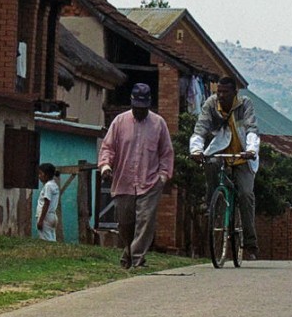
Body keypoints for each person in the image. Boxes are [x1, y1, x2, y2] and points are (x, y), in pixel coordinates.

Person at [98, 83, 174, 269]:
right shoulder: (119, 122)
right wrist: (106, 166)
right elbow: (108, 148)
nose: (140, 111)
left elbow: (166, 152)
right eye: (137, 108)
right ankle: (128, 255)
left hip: (149, 182)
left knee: (145, 221)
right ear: (131, 103)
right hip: (123, 182)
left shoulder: (158, 123)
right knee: (125, 224)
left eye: (144, 108)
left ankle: (138, 260)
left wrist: (163, 176)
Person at [189, 76, 260, 259]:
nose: (220, 95)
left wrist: (251, 150)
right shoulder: (210, 104)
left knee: (245, 194)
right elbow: (200, 128)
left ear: (234, 92)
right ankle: (213, 199)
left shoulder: (245, 104)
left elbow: (252, 129)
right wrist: (196, 150)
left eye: (225, 92)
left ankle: (250, 244)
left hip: (242, 156)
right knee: (210, 163)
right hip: (219, 151)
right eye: (218, 91)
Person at [35, 163, 60, 241]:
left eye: (40, 174)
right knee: (52, 238)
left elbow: (47, 203)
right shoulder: (54, 185)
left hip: (46, 216)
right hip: (52, 215)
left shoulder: (48, 186)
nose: (39, 176)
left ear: (46, 175)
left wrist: (41, 220)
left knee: (45, 240)